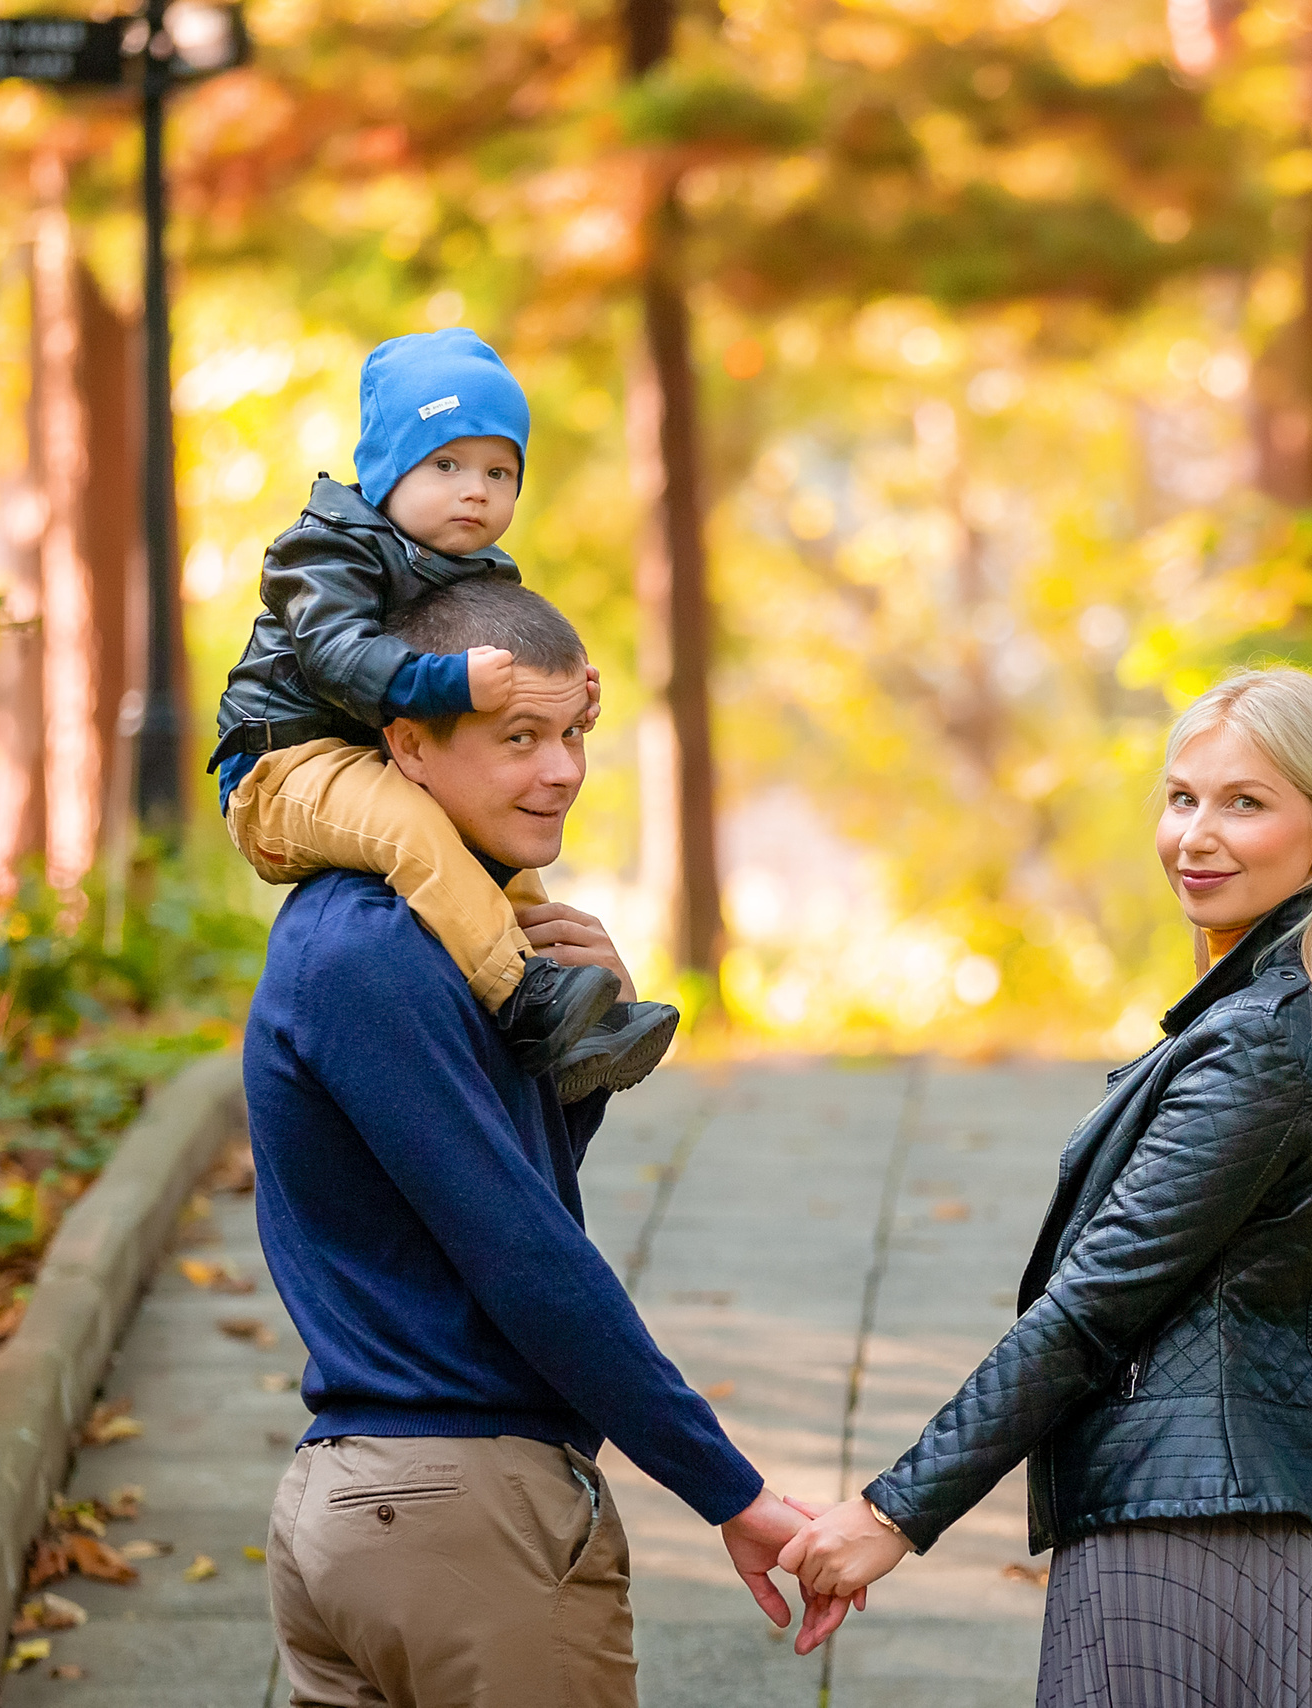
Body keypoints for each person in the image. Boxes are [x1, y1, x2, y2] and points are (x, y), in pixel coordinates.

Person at [781, 665, 1312, 1707]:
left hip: (1193, 1558)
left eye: (1245, 802)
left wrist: (890, 1514)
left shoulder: (1261, 1047)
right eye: (1183, 797)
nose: (1196, 835)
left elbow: (1088, 1313)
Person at [247, 577, 850, 1707]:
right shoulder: (373, 946)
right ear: (408, 744)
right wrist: (728, 1489)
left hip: (357, 1518)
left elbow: (478, 1194)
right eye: (517, 735)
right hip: (464, 1524)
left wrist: (581, 1055)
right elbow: (525, 1255)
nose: (562, 768)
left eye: (573, 732)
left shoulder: (417, 937)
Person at [210, 326, 674, 1103]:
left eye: (501, 471)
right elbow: (335, 659)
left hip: (376, 755)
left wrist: (571, 704)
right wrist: (449, 683)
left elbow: (508, 688)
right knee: (413, 828)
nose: (476, 490)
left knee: (505, 862)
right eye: (446, 464)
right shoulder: (325, 550)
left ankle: (575, 1021)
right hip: (279, 764)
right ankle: (524, 1005)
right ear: (387, 471)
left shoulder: (479, 572)